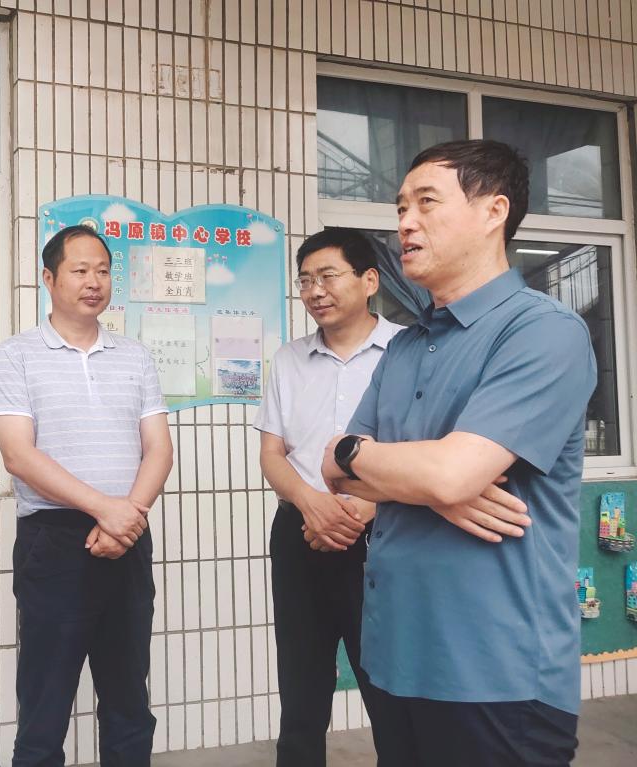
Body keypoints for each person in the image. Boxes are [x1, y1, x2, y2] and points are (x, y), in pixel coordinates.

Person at [321, 139, 597, 767]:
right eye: (401, 208)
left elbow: (449, 474)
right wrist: (385, 467)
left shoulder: (542, 331)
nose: (405, 223)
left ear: (494, 211)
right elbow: (334, 468)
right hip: (395, 657)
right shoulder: (405, 346)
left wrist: (385, 466)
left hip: (496, 672)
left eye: (426, 203)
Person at [0, 224, 173, 767]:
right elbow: (19, 456)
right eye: (80, 270)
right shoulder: (16, 355)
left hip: (128, 536)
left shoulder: (135, 356)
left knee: (128, 698)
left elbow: (159, 449)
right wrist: (106, 509)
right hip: (55, 541)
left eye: (103, 271)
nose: (94, 282)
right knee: (45, 703)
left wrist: (127, 517)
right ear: (49, 278)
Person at [256, 229, 399, 766]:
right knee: (301, 683)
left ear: (369, 280)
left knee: (389, 681)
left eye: (328, 276)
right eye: (305, 280)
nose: (315, 290)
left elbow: (429, 451)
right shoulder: (288, 360)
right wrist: (311, 504)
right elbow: (272, 453)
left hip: (385, 536)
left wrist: (369, 508)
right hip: (300, 532)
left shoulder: (407, 352)